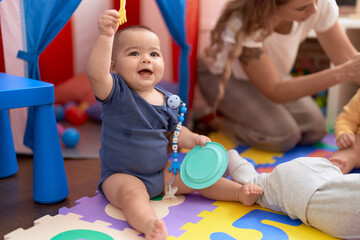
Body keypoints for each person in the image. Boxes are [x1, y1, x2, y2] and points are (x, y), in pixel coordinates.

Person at [86, 9, 263, 240]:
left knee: (197, 177)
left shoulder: (168, 99)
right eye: (134, 53)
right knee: (132, 196)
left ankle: (239, 193)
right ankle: (149, 223)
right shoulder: (116, 92)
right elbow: (97, 75)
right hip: (121, 176)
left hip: (159, 173)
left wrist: (194, 139)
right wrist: (106, 36)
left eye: (154, 54)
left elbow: (176, 132)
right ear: (114, 66)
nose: (146, 59)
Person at [197, 0, 360, 152]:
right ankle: (214, 120)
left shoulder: (316, 3)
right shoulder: (244, 21)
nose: (314, 9)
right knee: (283, 136)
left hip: (273, 75)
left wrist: (350, 69)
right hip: (224, 77)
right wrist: (342, 73)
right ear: (271, 5)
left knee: (315, 129)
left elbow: (347, 59)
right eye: (302, 8)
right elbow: (275, 90)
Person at [227, 149, 360, 239]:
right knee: (253, 184)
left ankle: (229, 157)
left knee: (253, 182)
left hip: (326, 176)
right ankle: (225, 158)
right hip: (305, 186)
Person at [329, 88, 360, 174]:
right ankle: (331, 171)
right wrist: (344, 132)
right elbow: (347, 118)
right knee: (339, 161)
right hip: (357, 146)